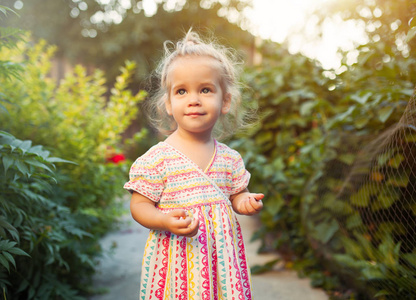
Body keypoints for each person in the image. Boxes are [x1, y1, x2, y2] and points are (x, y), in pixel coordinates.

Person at [124, 30, 264, 300]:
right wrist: (163, 219)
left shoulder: (229, 159)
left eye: (205, 89)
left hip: (221, 264)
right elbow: (139, 206)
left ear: (224, 101)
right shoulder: (157, 159)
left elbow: (235, 194)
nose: (193, 99)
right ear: (168, 103)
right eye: (181, 91)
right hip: (176, 264)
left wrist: (244, 201)